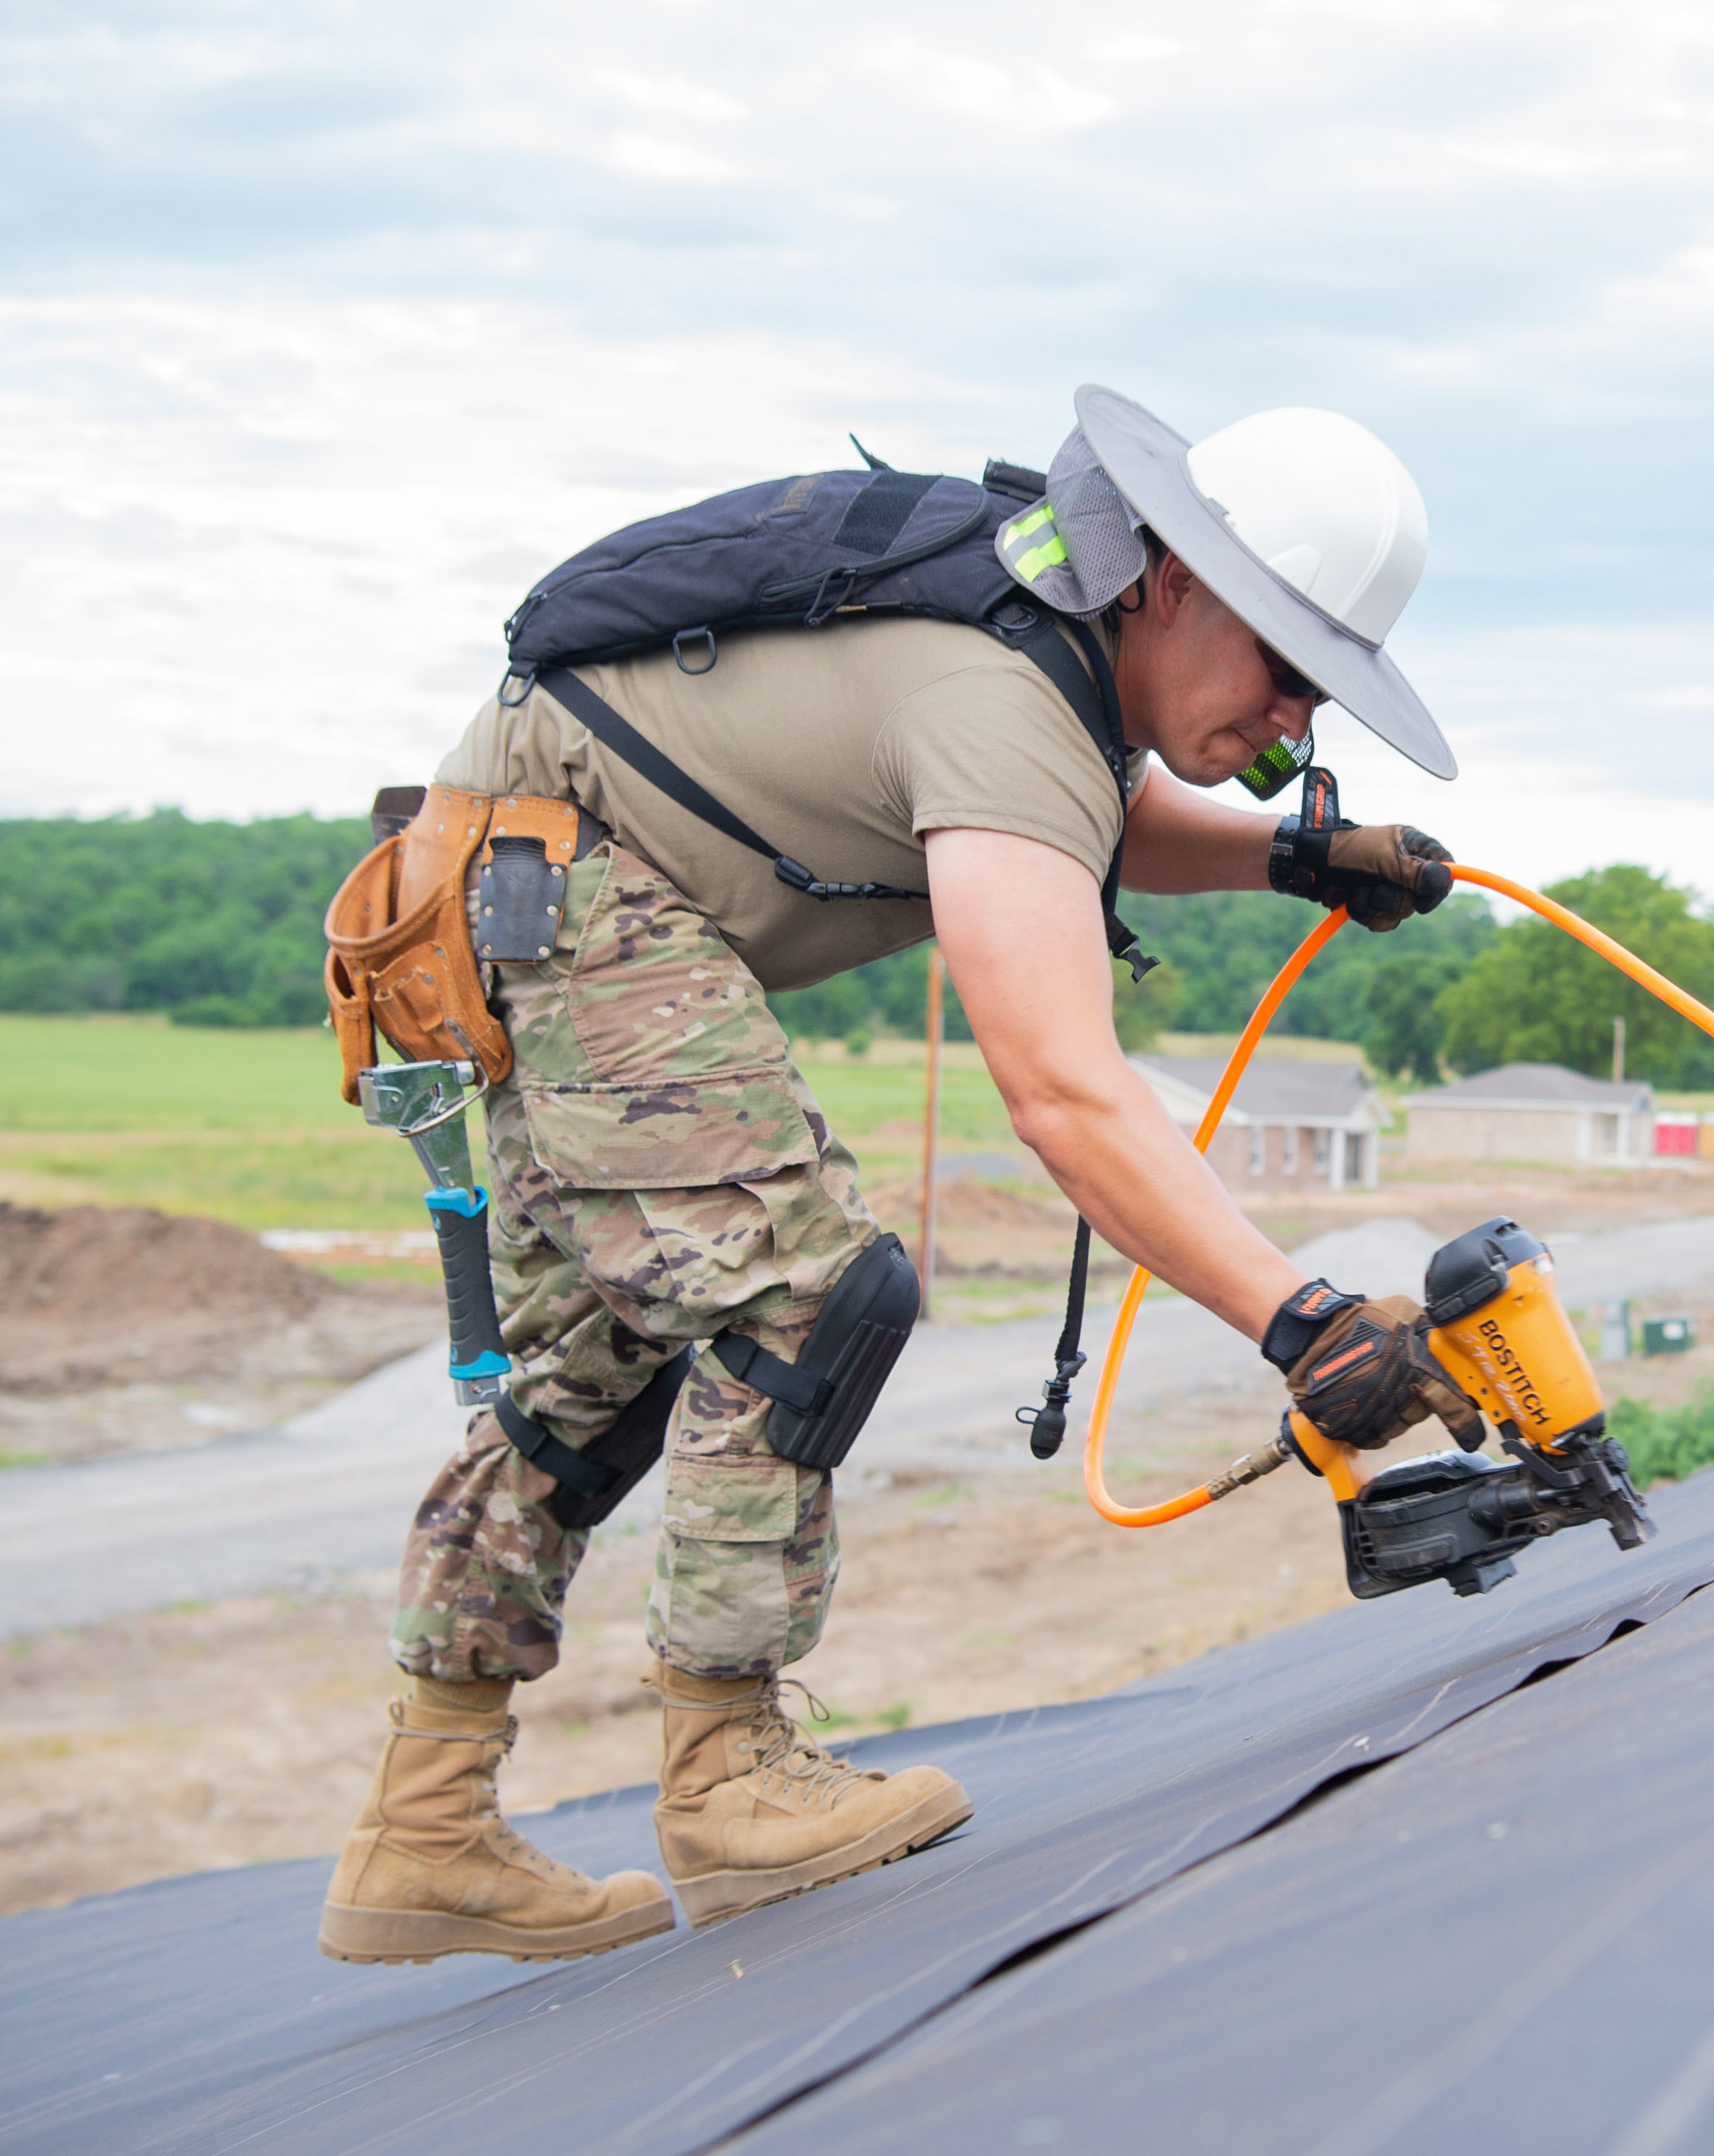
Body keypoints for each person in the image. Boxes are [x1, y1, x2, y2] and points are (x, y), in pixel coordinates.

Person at [317, 388, 1485, 1966]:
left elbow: (1086, 816)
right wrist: (1305, 1321)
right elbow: (1063, 1089)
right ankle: (726, 1772)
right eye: (1287, 667)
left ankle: (423, 1822)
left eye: (1321, 698)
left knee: (604, 1358)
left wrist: (1289, 854)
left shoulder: (1036, 657)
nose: (1292, 726)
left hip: (506, 879)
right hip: (562, 874)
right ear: (1178, 578)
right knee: (810, 1289)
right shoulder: (1001, 690)